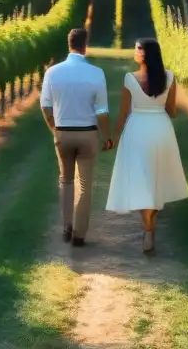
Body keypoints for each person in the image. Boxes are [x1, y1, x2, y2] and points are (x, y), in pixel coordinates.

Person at [106, 37, 188, 254]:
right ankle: (150, 228)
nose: (134, 52)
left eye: (136, 49)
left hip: (137, 130)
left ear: (143, 54)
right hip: (161, 129)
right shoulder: (169, 77)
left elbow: (123, 114)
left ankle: (148, 230)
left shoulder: (130, 78)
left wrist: (114, 137)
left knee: (142, 180)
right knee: (155, 179)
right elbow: (171, 111)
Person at [40, 28, 113, 246]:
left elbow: (45, 106)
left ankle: (66, 226)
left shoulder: (52, 72)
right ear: (85, 45)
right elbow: (102, 111)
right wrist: (107, 137)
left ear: (68, 44)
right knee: (85, 184)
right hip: (88, 134)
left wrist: (54, 128)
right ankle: (79, 234)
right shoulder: (96, 73)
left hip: (63, 132)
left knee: (65, 179)